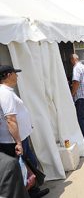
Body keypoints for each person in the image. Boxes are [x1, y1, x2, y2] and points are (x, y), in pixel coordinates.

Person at [0, 65, 49, 198]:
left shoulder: (7, 91)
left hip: (18, 139)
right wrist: (18, 142)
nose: (17, 76)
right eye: (15, 73)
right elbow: (10, 119)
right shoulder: (4, 93)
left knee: (28, 167)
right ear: (8, 75)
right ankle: (29, 193)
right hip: (13, 141)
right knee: (21, 170)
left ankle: (33, 192)